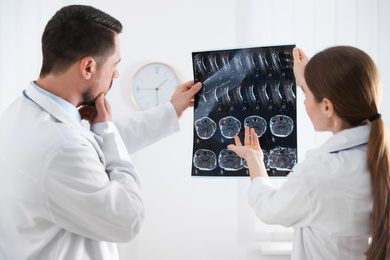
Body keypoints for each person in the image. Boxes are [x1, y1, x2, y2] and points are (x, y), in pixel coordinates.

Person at [0, 5, 202, 260]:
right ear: (88, 68)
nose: (116, 73)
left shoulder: (21, 113)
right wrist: (105, 130)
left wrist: (170, 111)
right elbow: (129, 219)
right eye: (115, 64)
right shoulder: (62, 148)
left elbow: (91, 146)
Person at [228, 46, 390, 260]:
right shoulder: (376, 155)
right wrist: (316, 74)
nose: (303, 101)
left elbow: (269, 208)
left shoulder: (321, 172)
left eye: (306, 93)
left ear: (326, 107)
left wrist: (255, 159)